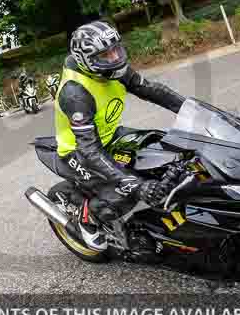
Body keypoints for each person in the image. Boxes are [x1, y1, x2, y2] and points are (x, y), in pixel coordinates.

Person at [54, 20, 187, 249]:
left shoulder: (112, 70)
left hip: (110, 135)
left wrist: (190, 108)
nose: (115, 58)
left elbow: (150, 90)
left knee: (166, 153)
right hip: (79, 150)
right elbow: (90, 151)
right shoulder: (75, 93)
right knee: (126, 193)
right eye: (106, 55)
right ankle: (88, 219)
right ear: (87, 60)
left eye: (117, 49)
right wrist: (137, 185)